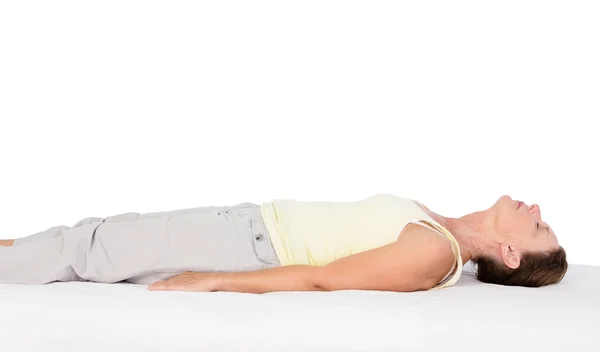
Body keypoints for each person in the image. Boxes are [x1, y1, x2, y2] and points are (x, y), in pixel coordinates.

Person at [0, 193, 567, 293]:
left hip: (249, 247)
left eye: (538, 226)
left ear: (512, 255)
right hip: (249, 222)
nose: (535, 210)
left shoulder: (437, 252)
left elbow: (325, 278)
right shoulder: (440, 224)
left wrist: (220, 280)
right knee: (95, 233)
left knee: (89, 249)